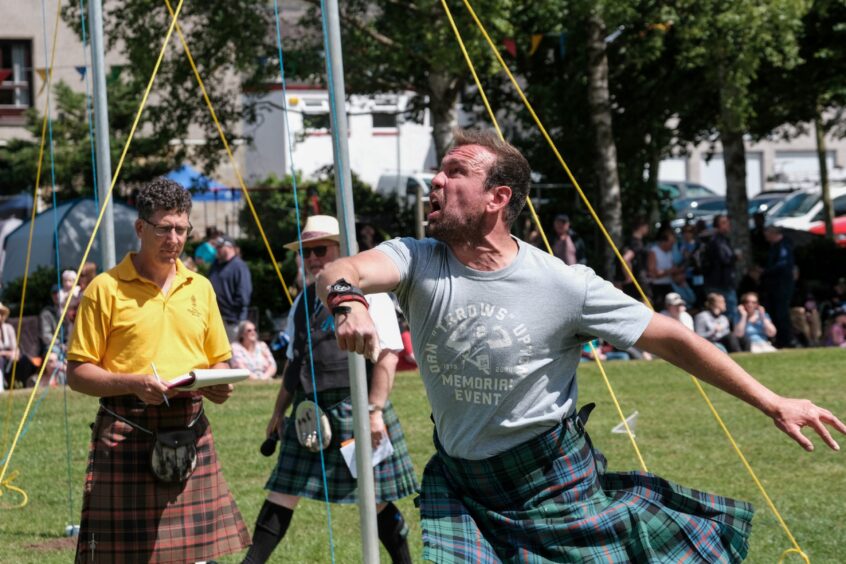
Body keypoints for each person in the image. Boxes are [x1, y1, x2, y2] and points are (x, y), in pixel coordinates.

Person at [311, 129, 845, 562]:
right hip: (465, 483)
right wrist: (347, 299)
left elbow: (673, 338)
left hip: (551, 480)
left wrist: (773, 402)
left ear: (499, 198)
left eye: (455, 172)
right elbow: (345, 267)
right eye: (440, 170)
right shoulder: (416, 259)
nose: (436, 180)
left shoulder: (564, 285)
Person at [66, 178, 250, 563]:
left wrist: (219, 382)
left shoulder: (200, 287)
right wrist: (131, 382)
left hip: (189, 424)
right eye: (164, 228)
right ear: (140, 228)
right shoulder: (105, 288)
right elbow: (78, 373)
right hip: (126, 428)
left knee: (195, 556)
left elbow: (219, 358)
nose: (174, 238)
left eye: (182, 229)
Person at [243, 215, 418, 564]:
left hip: (357, 410)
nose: (312, 259)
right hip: (309, 411)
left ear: (343, 249)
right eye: (306, 252)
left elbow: (386, 357)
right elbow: (295, 362)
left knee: (376, 497)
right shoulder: (302, 301)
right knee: (284, 489)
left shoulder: (370, 295)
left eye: (320, 249)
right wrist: (279, 413)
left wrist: (375, 411)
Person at [209, 234, 253, 342]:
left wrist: (231, 312)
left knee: (234, 355)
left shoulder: (239, 266)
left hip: (233, 322)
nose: (217, 250)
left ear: (230, 247)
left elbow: (244, 296)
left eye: (220, 247)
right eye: (216, 247)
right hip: (216, 320)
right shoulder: (215, 265)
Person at [703, 214, 740, 325]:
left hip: (721, 282)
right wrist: (736, 257)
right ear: (717, 226)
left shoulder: (720, 240)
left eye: (728, 222)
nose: (728, 225)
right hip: (721, 284)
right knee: (725, 312)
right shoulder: (717, 240)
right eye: (724, 223)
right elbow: (725, 259)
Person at [762, 226, 796, 348]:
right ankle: (781, 341)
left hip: (782, 287)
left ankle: (787, 341)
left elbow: (783, 265)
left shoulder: (783, 246)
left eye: (767, 232)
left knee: (782, 314)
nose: (765, 235)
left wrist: (766, 272)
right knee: (776, 313)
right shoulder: (775, 247)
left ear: (774, 233)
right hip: (775, 287)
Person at [646, 227, 680, 308]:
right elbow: (653, 273)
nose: (672, 246)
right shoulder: (654, 251)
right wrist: (670, 271)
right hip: (657, 288)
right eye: (671, 243)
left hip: (668, 285)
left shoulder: (670, 252)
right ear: (664, 242)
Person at [619, 217, 651, 300]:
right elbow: (626, 259)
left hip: (632, 283)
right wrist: (629, 277)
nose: (648, 229)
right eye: (647, 226)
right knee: (647, 307)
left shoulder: (628, 241)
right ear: (641, 227)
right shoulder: (637, 243)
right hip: (639, 281)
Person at [0, 301, 19, 391]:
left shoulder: (9, 328)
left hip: (9, 358)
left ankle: (18, 385)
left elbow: (15, 348)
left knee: (24, 360)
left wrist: (13, 354)